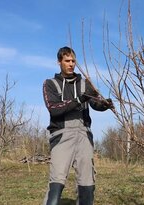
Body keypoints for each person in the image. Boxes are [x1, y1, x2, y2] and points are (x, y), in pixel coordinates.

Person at [42, 46, 113, 205]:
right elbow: (54, 110)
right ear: (59, 62)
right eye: (67, 60)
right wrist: (79, 100)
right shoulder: (50, 84)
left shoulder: (85, 83)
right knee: (57, 181)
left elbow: (95, 104)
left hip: (84, 135)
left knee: (87, 181)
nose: (71, 64)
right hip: (61, 135)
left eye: (73, 61)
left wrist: (105, 104)